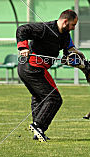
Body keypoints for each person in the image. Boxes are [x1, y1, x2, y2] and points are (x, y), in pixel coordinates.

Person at [16, 9, 84, 142]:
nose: (74, 28)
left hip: (30, 69)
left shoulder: (65, 35)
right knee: (54, 98)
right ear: (65, 22)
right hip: (32, 67)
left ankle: (38, 133)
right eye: (73, 25)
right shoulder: (44, 28)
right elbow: (22, 29)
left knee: (39, 97)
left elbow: (69, 50)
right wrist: (23, 47)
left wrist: (76, 56)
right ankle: (38, 125)